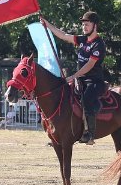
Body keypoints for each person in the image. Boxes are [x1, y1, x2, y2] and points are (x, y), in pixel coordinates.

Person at [40, 11, 107, 145]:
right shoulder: (82, 40)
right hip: (80, 80)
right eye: (83, 25)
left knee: (87, 99)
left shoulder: (98, 44)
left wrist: (73, 76)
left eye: (87, 25)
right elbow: (63, 35)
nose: (84, 27)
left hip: (94, 82)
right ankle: (60, 131)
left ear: (95, 26)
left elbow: (89, 65)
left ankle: (89, 134)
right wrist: (47, 25)